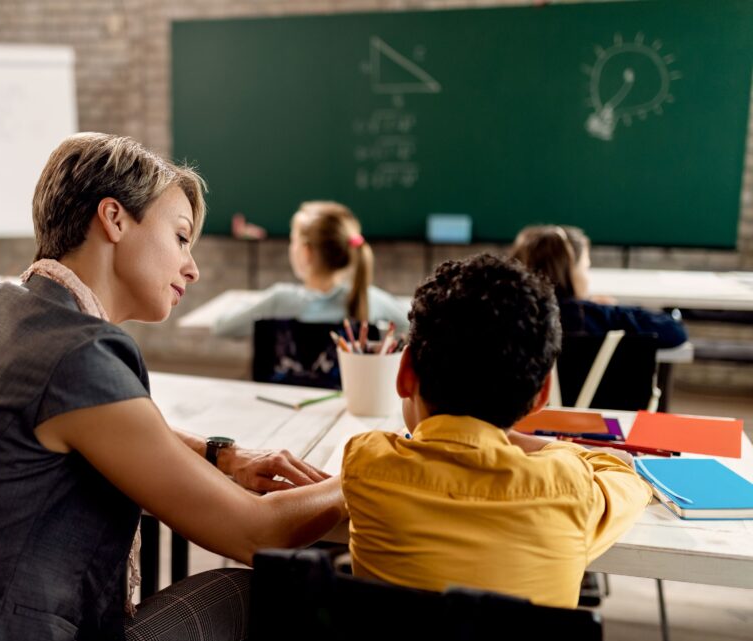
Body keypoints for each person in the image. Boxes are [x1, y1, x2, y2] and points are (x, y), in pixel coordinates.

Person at [0, 133, 346, 641]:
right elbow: (258, 534)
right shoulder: (77, 355)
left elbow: (107, 426)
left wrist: (220, 455)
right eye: (180, 237)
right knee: (256, 597)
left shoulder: (4, 309)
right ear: (114, 219)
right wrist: (369, 468)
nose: (191, 268)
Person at [341, 254, 652, 608]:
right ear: (542, 395)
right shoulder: (569, 489)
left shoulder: (367, 464)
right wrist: (547, 448)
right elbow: (621, 468)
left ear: (405, 372)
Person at [212, 201, 409, 337]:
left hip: (287, 397)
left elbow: (221, 326)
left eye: (293, 240)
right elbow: (412, 325)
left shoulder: (280, 300)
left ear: (306, 253)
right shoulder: (368, 299)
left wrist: (246, 303)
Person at [509, 225, 687, 348]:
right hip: (602, 403)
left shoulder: (511, 315)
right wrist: (604, 307)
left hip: (534, 404)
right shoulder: (597, 316)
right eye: (586, 267)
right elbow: (675, 332)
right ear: (571, 272)